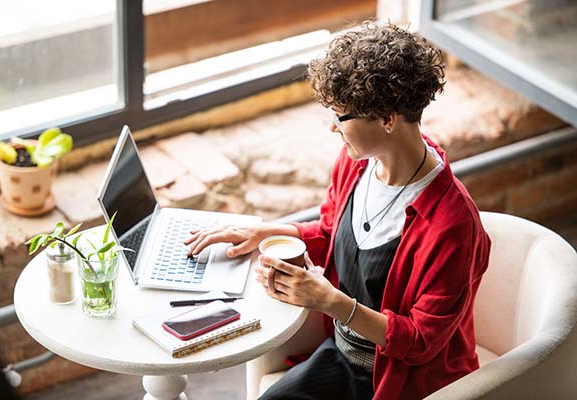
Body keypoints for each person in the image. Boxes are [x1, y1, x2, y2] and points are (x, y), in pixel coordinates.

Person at [185, 21, 491, 400]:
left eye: (339, 116)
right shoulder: (357, 163)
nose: (333, 128)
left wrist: (330, 301)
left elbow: (420, 342)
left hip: (405, 384)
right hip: (343, 358)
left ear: (387, 119)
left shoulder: (453, 225)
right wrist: (266, 233)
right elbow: (331, 232)